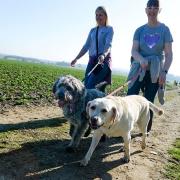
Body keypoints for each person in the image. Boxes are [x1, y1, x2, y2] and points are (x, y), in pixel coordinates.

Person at [127, 0, 173, 133]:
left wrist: (164, 71)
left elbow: (169, 54)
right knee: (130, 96)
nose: (152, 10)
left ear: (159, 10)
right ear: (146, 10)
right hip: (139, 68)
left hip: (155, 70)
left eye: (155, 8)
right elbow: (134, 51)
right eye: (150, 8)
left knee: (148, 100)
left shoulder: (165, 30)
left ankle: (145, 131)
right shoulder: (139, 30)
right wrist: (141, 59)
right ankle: (126, 126)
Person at [71, 6, 114, 92]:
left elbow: (108, 45)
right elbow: (86, 46)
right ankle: (101, 104)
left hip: (102, 62)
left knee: (90, 86)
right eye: (96, 15)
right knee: (88, 86)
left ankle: (92, 104)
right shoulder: (93, 30)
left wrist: (103, 55)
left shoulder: (109, 29)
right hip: (92, 62)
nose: (98, 17)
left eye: (100, 15)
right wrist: (76, 58)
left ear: (106, 16)